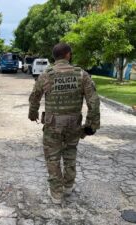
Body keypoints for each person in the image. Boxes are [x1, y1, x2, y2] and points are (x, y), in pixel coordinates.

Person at [28, 43, 100, 204]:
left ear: (55, 57)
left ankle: (56, 193)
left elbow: (34, 97)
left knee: (52, 158)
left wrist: (32, 114)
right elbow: (94, 102)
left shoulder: (46, 75)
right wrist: (91, 125)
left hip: (53, 125)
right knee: (70, 154)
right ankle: (68, 186)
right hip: (74, 125)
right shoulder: (81, 75)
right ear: (68, 55)